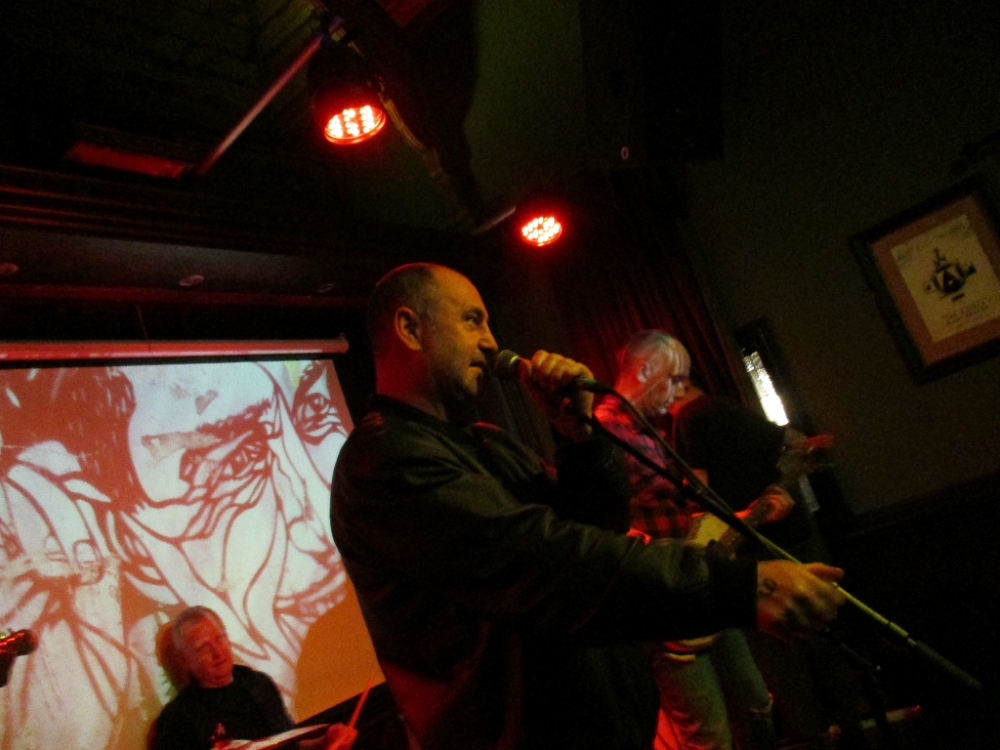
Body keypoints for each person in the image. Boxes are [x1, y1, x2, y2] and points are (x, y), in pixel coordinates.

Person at [330, 263, 846, 750]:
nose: (490, 341)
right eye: (472, 320)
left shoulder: (487, 442)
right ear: (410, 328)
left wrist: (579, 438)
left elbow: (596, 527)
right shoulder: (384, 461)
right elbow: (546, 561)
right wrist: (736, 586)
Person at [594, 330, 792, 750]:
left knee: (756, 707)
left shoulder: (648, 432)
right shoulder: (605, 433)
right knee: (709, 736)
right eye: (675, 378)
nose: (682, 390)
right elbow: (605, 529)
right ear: (644, 370)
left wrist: (748, 515)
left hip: (698, 586)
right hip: (667, 607)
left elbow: (682, 517)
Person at [668, 372, 871, 750]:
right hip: (797, 537)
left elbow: (698, 492)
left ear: (676, 383)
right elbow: (797, 442)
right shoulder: (731, 408)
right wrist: (779, 487)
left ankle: (812, 738)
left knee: (780, 660)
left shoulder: (688, 418)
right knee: (822, 637)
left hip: (752, 550)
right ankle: (853, 728)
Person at [151, 606, 358, 750]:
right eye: (204, 648)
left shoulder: (258, 684)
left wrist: (324, 743)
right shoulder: (177, 720)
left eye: (220, 639)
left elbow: (291, 745)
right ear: (184, 659)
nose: (218, 653)